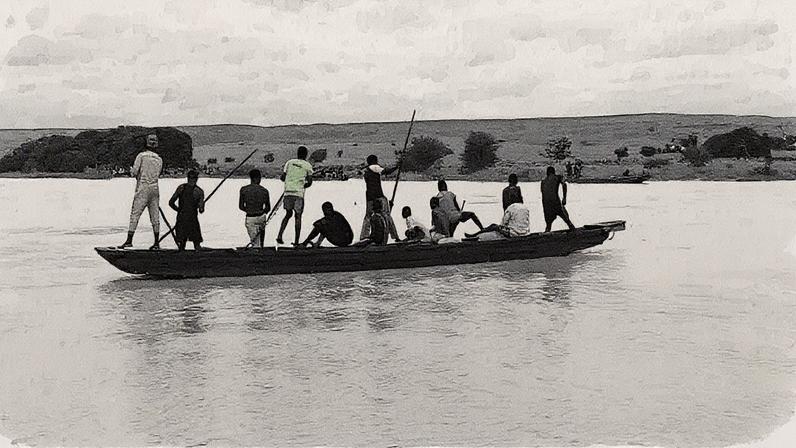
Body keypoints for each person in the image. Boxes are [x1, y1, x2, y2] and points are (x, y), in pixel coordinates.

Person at [119, 134, 163, 249]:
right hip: (155, 188)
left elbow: (134, 172)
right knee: (155, 216)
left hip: (143, 187)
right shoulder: (159, 159)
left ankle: (129, 240)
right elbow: (158, 173)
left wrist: (131, 171)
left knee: (135, 214)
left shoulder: (141, 156)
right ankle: (157, 242)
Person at [276, 146, 313, 246]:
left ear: (297, 153)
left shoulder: (289, 162)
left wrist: (290, 180)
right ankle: (296, 242)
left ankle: (279, 235)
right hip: (298, 194)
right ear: (306, 155)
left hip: (288, 192)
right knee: (298, 216)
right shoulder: (307, 165)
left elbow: (282, 177)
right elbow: (309, 182)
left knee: (288, 214)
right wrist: (303, 184)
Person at [360, 154, 400, 242]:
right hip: (378, 196)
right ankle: (395, 236)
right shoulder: (374, 167)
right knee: (386, 216)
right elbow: (386, 171)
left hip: (370, 197)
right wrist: (397, 167)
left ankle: (363, 237)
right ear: (375, 161)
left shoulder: (366, 170)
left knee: (368, 217)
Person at [168, 170, 205, 251]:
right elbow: (171, 203)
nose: (192, 180)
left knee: (196, 244)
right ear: (188, 179)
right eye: (191, 178)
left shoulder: (199, 192)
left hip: (191, 219)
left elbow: (201, 210)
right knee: (182, 243)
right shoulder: (182, 188)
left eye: (194, 178)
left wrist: (201, 206)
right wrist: (179, 210)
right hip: (183, 218)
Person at [465, 198, 530, 239]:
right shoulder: (525, 208)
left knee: (494, 226)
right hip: (525, 232)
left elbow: (504, 223)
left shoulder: (511, 208)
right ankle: (476, 234)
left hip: (515, 233)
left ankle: (475, 235)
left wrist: (500, 228)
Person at [239, 169, 271, 247]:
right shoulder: (264, 191)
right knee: (260, 243)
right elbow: (268, 208)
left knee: (255, 243)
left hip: (250, 218)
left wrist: (249, 210)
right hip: (261, 217)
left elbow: (241, 206)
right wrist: (261, 212)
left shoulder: (244, 190)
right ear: (259, 178)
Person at [541, 166, 576, 232]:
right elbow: (564, 185)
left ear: (547, 173)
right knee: (567, 220)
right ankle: (574, 231)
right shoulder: (557, 177)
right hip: (555, 203)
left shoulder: (543, 182)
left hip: (546, 204)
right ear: (554, 172)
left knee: (548, 225)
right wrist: (564, 198)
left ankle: (546, 235)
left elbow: (544, 194)